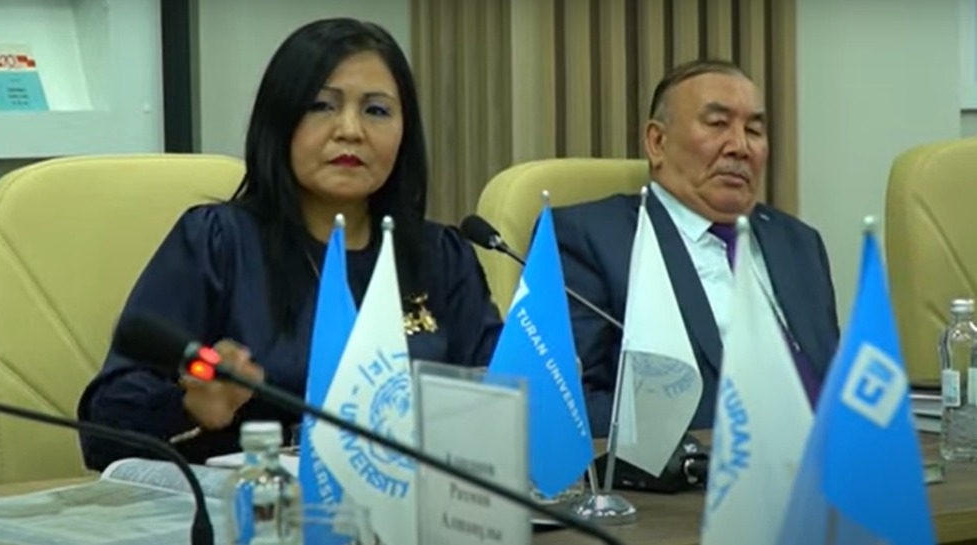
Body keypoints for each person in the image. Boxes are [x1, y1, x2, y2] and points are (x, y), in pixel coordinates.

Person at [77, 18, 502, 470]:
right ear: (280, 121)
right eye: (322, 106)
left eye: (377, 111)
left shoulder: (440, 256)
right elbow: (103, 427)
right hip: (254, 504)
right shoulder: (218, 243)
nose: (350, 130)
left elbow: (501, 396)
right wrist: (188, 406)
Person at [552, 59, 840, 437]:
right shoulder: (592, 238)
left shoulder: (798, 243)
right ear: (657, 142)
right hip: (712, 464)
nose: (740, 147)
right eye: (718, 124)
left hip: (830, 458)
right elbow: (567, 404)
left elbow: (830, 378)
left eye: (754, 130)